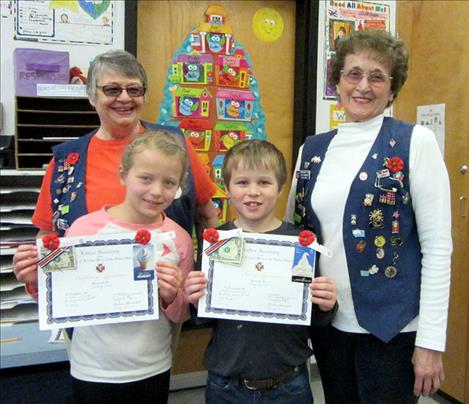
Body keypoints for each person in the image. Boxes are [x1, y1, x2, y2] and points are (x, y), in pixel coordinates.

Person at [286, 30, 452, 403]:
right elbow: (295, 237)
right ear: (337, 82)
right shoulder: (311, 150)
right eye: (353, 74)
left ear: (393, 90)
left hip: (392, 329)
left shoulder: (415, 142)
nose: (363, 86)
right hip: (330, 326)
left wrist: (430, 342)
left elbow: (439, 249)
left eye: (377, 76)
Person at [13, 49, 218, 294]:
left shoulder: (175, 145)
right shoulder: (66, 161)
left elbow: (206, 215)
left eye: (134, 90)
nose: (124, 98)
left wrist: (207, 280)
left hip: (165, 307)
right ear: (91, 96)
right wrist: (34, 273)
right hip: (90, 303)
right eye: (112, 89)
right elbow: (48, 234)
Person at [184, 140, 338, 404]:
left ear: (280, 188)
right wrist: (194, 298)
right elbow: (202, 318)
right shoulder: (218, 240)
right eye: (242, 183)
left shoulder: (301, 242)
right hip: (226, 384)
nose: (252, 192)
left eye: (264, 183)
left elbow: (314, 318)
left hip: (289, 383)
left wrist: (326, 306)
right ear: (228, 188)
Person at [61, 130, 192, 402]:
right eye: (145, 178)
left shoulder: (178, 237)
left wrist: (170, 296)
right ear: (123, 175)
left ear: (179, 186)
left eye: (169, 183)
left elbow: (182, 314)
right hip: (92, 368)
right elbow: (61, 299)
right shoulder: (84, 229)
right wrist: (34, 281)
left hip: (152, 367)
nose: (156, 191)